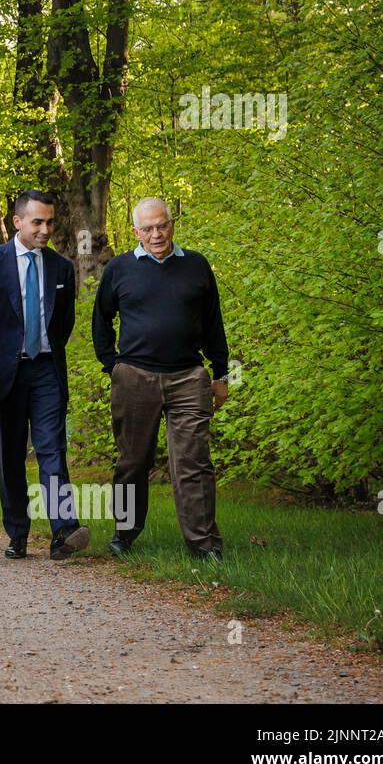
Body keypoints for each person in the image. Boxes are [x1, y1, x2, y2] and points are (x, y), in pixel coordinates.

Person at [92, 197, 229, 562]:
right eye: (148, 228)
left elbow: (214, 322)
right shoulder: (120, 269)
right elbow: (101, 321)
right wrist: (112, 367)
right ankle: (124, 533)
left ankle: (204, 544)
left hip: (188, 377)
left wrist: (221, 373)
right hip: (134, 378)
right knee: (132, 461)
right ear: (136, 232)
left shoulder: (197, 265)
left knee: (193, 461)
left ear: (172, 224)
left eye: (162, 225)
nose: (157, 234)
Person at [0, 190, 87, 561]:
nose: (45, 229)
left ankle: (64, 530)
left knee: (52, 449)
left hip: (45, 369)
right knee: (9, 455)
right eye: (37, 222)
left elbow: (64, 324)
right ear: (17, 222)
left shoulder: (60, 267)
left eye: (50, 222)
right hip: (5, 373)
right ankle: (17, 533)